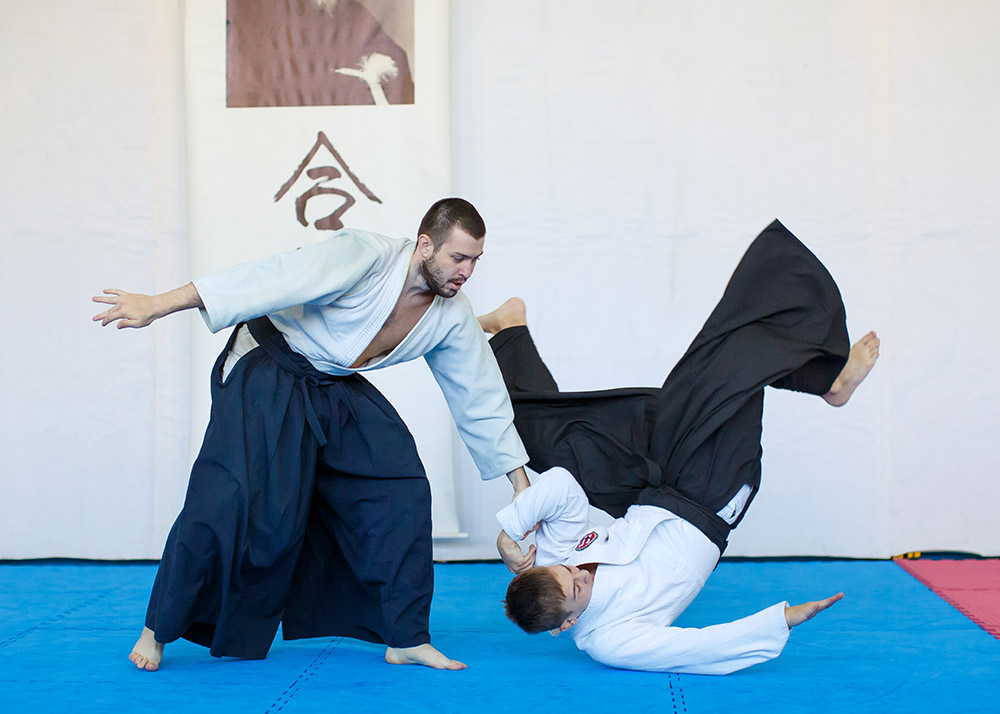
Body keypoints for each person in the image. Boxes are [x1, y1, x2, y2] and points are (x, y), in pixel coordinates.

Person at [92, 198, 530, 672]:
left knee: (399, 485)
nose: (466, 272)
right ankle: (157, 628)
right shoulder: (364, 254)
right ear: (426, 245)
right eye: (458, 258)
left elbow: (479, 395)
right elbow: (269, 278)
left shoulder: (452, 314)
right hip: (270, 361)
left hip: (330, 380)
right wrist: (158, 304)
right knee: (226, 499)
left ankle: (405, 636)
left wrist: (522, 491)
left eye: (475, 261)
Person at [477, 220, 879, 674]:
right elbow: (698, 647)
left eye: (564, 571)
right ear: (566, 625)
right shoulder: (611, 640)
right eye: (576, 588)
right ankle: (830, 382)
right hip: (708, 500)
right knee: (734, 376)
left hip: (657, 484)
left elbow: (564, 487)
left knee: (550, 434)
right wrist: (781, 620)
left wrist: (511, 529)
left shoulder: (556, 562)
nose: (578, 573)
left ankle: (510, 326)